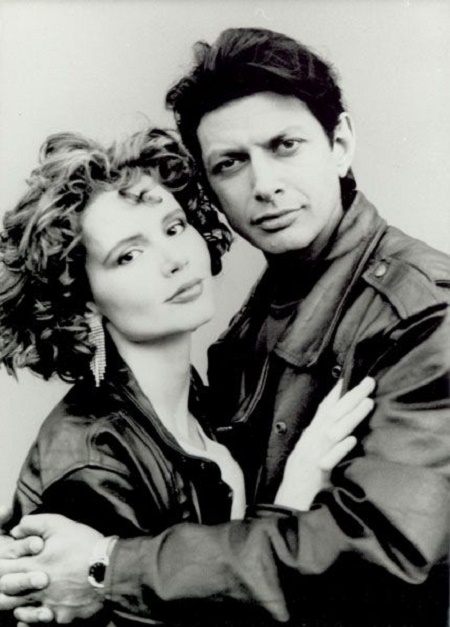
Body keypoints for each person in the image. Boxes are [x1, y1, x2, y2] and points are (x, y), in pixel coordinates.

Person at [1, 26, 449, 627]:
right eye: (231, 163)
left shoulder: (421, 313)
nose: (264, 186)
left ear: (339, 143)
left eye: (285, 145)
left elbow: (388, 558)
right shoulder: (245, 333)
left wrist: (110, 566)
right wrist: (288, 501)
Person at [0, 123, 374, 627]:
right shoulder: (91, 463)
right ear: (82, 298)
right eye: (129, 255)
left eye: (175, 228)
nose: (175, 260)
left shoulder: (206, 399)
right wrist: (291, 500)